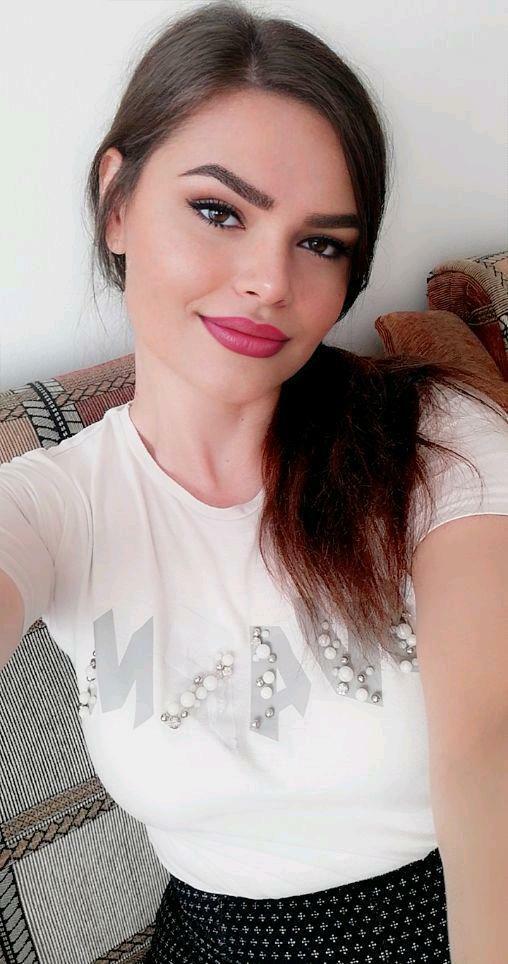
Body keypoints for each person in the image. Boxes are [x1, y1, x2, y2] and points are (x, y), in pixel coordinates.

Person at [1, 1, 507, 962]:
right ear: (117, 204)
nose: (271, 281)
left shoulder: (437, 438)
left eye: (320, 243)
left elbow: (491, 749)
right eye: (218, 212)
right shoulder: (56, 503)